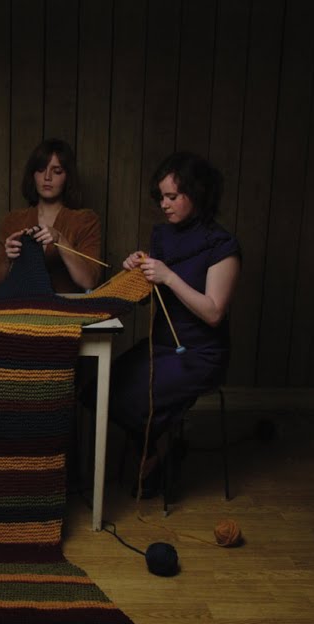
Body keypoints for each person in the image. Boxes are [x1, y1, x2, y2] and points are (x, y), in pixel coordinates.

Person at [103, 152, 241, 495]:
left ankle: (156, 456)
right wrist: (135, 273)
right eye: (161, 197)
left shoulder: (222, 245)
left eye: (172, 196)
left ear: (197, 194)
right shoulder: (163, 236)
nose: (163, 204)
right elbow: (151, 297)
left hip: (200, 353)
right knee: (105, 388)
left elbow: (213, 313)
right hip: (163, 345)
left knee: (136, 398)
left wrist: (168, 276)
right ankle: (159, 450)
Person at [0, 138, 103, 292]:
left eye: (57, 171)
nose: (47, 177)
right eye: (41, 169)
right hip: (23, 304)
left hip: (67, 305)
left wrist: (60, 240)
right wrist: (9, 261)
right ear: (32, 175)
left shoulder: (85, 220)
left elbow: (89, 281)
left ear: (68, 176)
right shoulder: (13, 220)